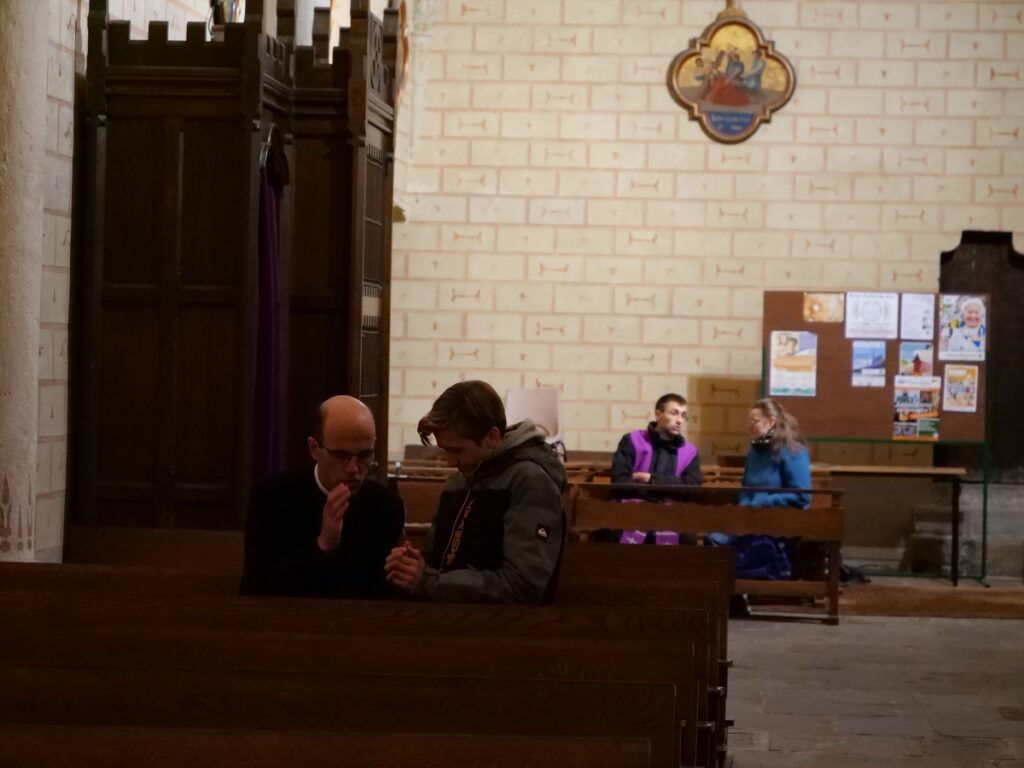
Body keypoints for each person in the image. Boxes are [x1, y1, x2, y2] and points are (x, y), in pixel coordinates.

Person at [384, 380, 566, 603]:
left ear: (492, 437)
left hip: (503, 624)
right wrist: (412, 565)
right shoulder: (458, 481)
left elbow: (522, 586)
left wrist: (430, 581)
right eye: (445, 450)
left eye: (457, 450)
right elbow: (436, 565)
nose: (450, 461)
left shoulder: (530, 482)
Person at [240, 395, 404, 598]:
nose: (353, 468)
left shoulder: (386, 505)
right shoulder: (271, 496)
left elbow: (385, 596)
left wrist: (410, 575)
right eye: (341, 455)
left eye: (364, 455)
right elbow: (254, 590)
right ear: (314, 448)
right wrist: (322, 545)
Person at [609, 393, 703, 544]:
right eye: (674, 413)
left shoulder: (689, 452)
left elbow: (692, 487)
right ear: (658, 414)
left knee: (688, 538)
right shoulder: (632, 441)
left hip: (672, 513)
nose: (679, 420)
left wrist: (651, 479)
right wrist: (660, 495)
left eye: (683, 415)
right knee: (613, 530)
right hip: (632, 510)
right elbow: (619, 480)